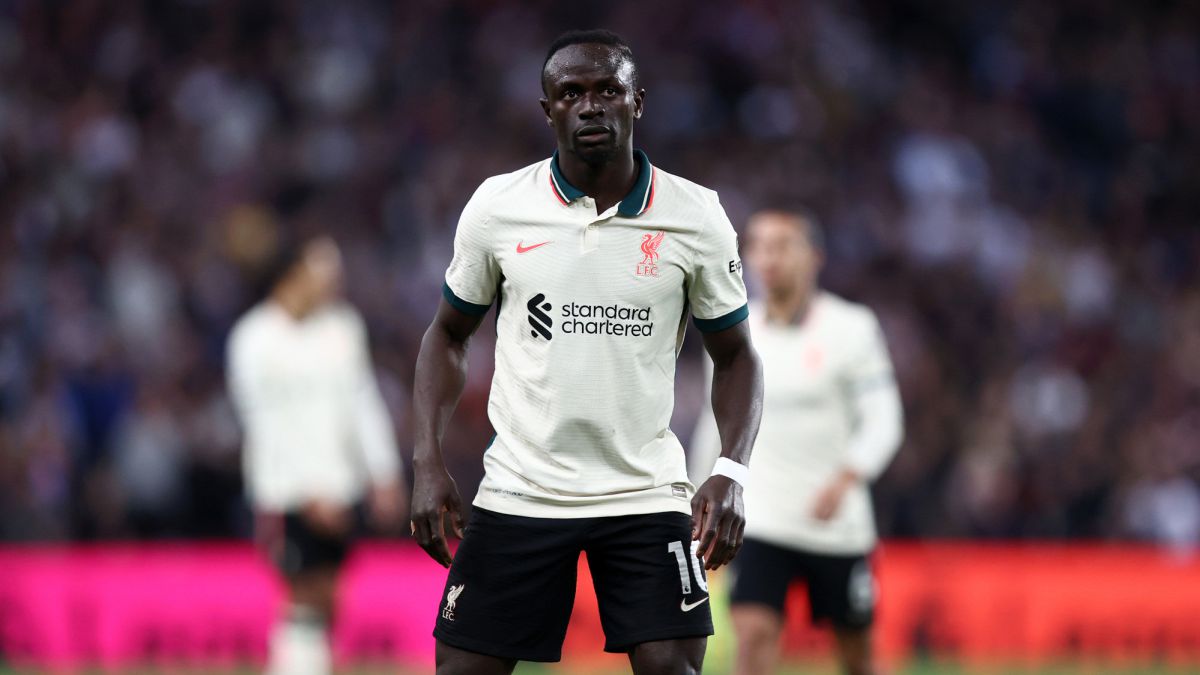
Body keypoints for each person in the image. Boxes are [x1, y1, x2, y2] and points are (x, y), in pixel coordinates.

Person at [410, 29, 764, 675]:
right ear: (547, 109)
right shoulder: (498, 207)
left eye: (608, 90)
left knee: (672, 668)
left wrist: (731, 471)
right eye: (571, 93)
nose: (591, 105)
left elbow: (737, 355)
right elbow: (447, 334)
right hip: (522, 486)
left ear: (638, 102)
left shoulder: (696, 215)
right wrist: (427, 460)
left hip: (644, 490)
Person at [690, 209, 904, 675]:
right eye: (759, 246)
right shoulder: (734, 330)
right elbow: (715, 422)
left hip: (836, 523)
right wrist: (695, 498)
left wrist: (847, 477)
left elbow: (884, 419)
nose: (769, 258)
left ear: (815, 257)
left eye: (783, 245)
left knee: (859, 656)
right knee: (752, 639)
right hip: (759, 518)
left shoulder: (852, 328)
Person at [227, 234, 406, 675]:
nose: (332, 282)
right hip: (285, 492)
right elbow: (261, 426)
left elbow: (363, 403)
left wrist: (383, 472)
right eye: (322, 272)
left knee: (328, 593)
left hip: (341, 486)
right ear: (292, 275)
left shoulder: (342, 328)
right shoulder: (254, 338)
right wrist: (305, 492)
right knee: (301, 592)